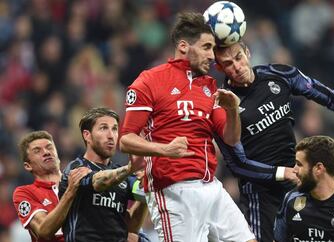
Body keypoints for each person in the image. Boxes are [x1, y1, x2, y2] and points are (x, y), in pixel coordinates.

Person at [213, 41, 334, 242]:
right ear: (219, 67)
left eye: (238, 57)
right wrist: (282, 173)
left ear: (247, 52)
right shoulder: (223, 104)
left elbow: (318, 91)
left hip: (296, 182)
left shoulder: (277, 75)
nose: (236, 67)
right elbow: (238, 165)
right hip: (261, 196)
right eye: (228, 64)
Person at [119, 12, 256, 242]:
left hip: (210, 186)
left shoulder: (209, 86)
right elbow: (126, 139)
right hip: (173, 191)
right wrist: (165, 150)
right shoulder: (149, 81)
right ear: (183, 46)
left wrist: (232, 110)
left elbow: (231, 139)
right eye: (206, 47)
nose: (212, 56)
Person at [59, 107, 149, 242]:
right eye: (103, 128)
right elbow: (99, 182)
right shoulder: (75, 169)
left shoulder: (124, 176)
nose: (111, 135)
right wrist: (130, 168)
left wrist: (147, 183)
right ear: (87, 135)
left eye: (114, 129)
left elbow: (133, 225)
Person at [13, 130, 90, 242]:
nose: (46, 152)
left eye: (49, 147)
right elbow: (44, 231)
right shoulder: (24, 193)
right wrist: (70, 191)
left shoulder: (81, 181)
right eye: (37, 151)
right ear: (28, 166)